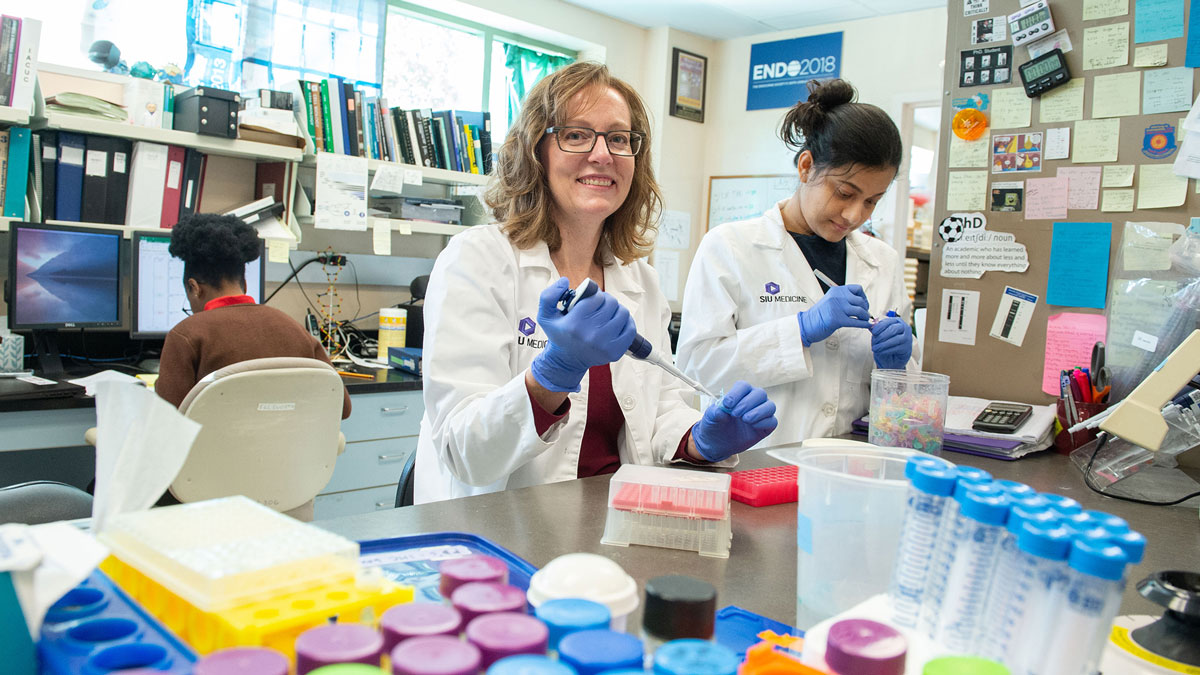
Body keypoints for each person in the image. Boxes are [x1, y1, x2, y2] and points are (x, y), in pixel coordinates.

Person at [415, 62, 778, 504]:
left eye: (619, 139)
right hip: (502, 532)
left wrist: (700, 439)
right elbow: (465, 453)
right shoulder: (477, 260)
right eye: (576, 134)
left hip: (617, 525)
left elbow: (660, 410)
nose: (602, 154)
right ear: (535, 151)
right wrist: (553, 373)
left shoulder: (638, 278)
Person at [676, 78, 917, 445]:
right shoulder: (731, 247)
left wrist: (898, 367)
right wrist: (800, 329)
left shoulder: (882, 262)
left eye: (871, 201)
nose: (854, 214)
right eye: (845, 193)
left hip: (850, 465)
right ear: (806, 167)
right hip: (756, 464)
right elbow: (697, 369)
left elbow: (905, 406)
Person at [155, 213, 351, 420]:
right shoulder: (293, 328)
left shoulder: (186, 335)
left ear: (194, 288)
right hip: (285, 451)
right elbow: (343, 408)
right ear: (244, 283)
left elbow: (167, 422)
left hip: (215, 452)